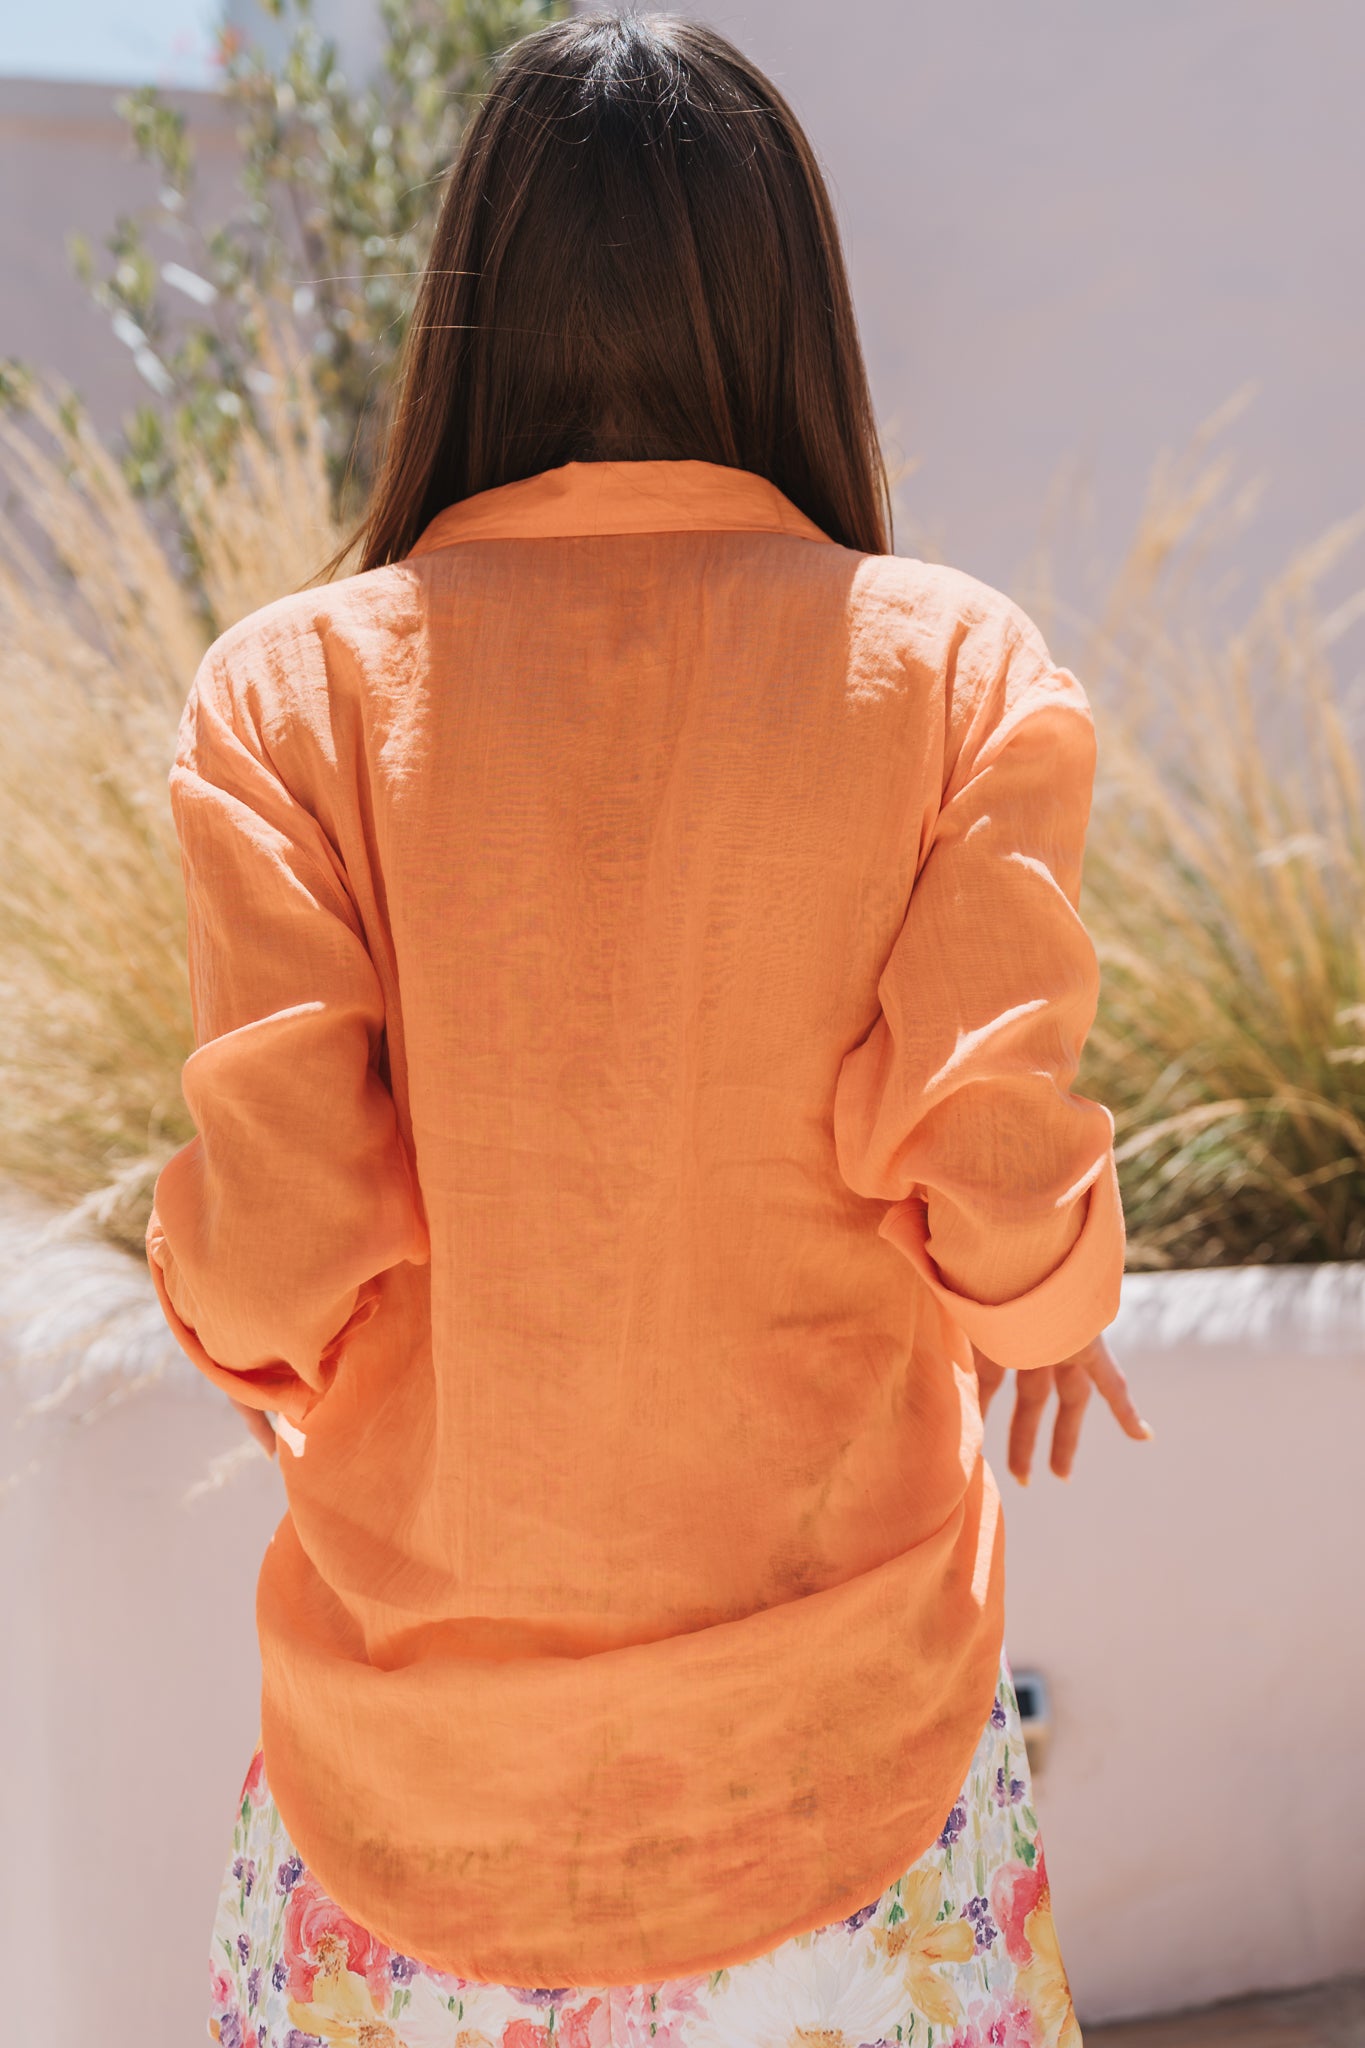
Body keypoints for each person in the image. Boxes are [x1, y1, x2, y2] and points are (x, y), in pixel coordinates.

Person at [145, 14, 1150, 2046]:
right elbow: (986, 1174)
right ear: (791, 309)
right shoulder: (955, 671)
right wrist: (1053, 1310)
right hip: (846, 1783)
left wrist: (230, 1325)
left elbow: (278, 1250)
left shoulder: (284, 699)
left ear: (468, 306)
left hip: (414, 1813)